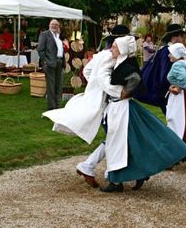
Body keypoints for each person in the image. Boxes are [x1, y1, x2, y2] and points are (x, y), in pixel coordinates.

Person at [43, 24, 130, 188]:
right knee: (116, 137)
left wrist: (95, 88)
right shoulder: (112, 57)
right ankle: (104, 171)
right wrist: (113, 91)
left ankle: (93, 167)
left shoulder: (100, 55)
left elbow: (87, 72)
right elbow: (103, 78)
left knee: (114, 137)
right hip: (111, 101)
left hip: (101, 99)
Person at [101, 36, 186, 192]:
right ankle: (138, 173)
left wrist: (125, 91)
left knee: (117, 144)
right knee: (128, 142)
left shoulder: (124, 65)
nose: (112, 49)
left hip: (121, 108)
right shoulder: (118, 64)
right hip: (118, 107)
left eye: (115, 47)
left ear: (122, 50)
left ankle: (116, 182)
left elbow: (135, 78)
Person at [134, 23, 186, 114]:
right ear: (174, 37)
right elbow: (165, 74)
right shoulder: (167, 52)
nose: (183, 39)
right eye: (181, 36)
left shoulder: (170, 51)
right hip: (168, 92)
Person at [37, 19, 67, 110]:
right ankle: (51, 108)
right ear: (49, 25)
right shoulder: (45, 34)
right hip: (49, 63)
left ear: (58, 26)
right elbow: (40, 49)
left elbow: (60, 50)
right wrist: (45, 61)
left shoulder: (58, 36)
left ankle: (57, 106)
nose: (54, 26)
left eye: (56, 25)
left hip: (59, 62)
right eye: (52, 24)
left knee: (59, 85)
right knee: (51, 86)